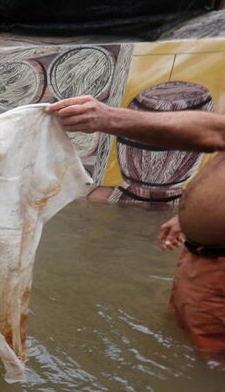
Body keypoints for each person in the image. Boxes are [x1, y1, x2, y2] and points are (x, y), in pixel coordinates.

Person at [47, 95, 225, 357]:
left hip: (217, 271)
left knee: (210, 360)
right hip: (200, 258)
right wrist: (186, 217)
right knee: (183, 336)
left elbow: (216, 131)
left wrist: (108, 117)